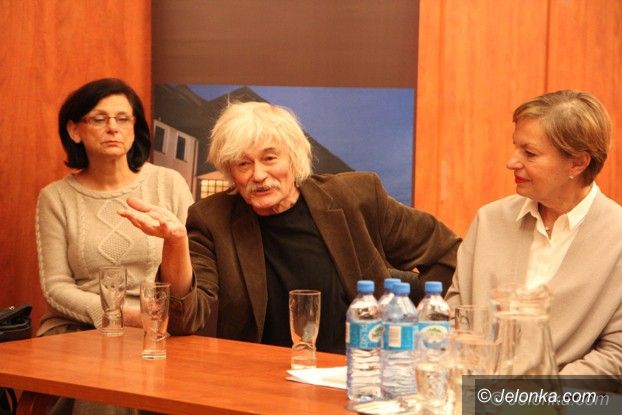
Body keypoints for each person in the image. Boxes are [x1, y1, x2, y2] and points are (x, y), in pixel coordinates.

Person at [119, 100, 461, 354]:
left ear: (294, 158)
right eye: (243, 164)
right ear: (230, 173)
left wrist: (417, 321)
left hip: (359, 372)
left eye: (270, 158)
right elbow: (183, 320)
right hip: (259, 379)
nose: (258, 175)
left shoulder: (357, 197)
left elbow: (450, 254)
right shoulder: (212, 219)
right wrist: (175, 243)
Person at [446, 90, 622, 375]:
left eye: (529, 153)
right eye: (516, 147)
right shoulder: (489, 221)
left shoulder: (617, 238)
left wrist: (539, 395)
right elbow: (455, 315)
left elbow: (616, 356)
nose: (512, 162)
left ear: (577, 163)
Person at [36, 78, 194, 337]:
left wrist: (153, 318)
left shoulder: (169, 183)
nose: (113, 128)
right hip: (78, 328)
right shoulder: (55, 197)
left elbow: (191, 279)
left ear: (134, 127)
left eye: (122, 119)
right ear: (74, 130)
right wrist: (119, 314)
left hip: (154, 328)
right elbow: (56, 286)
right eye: (99, 119)